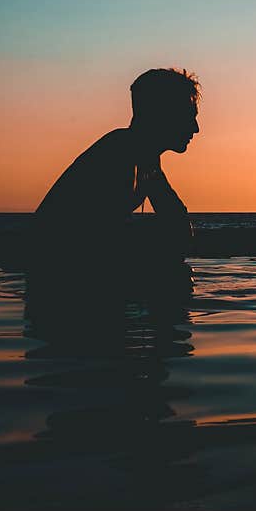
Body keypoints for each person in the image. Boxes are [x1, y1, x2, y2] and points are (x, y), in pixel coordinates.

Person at [27, 68, 201, 346]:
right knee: (173, 281)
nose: (195, 128)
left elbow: (179, 230)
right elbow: (92, 246)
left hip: (66, 282)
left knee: (176, 278)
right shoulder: (121, 158)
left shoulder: (144, 159)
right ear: (164, 115)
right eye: (189, 116)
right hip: (60, 302)